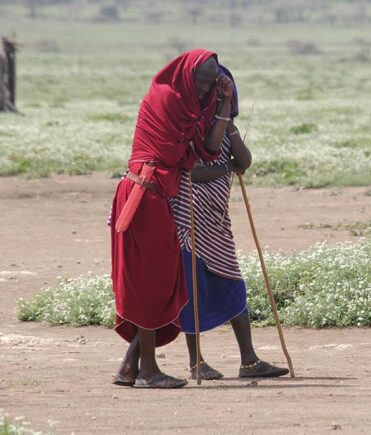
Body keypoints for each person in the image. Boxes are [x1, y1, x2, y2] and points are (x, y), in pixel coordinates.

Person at [110, 49, 235, 388]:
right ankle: (148, 371)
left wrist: (223, 105)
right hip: (143, 194)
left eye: (210, 83)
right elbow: (184, 158)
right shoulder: (167, 98)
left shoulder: (193, 108)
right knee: (151, 283)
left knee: (161, 280)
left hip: (157, 196)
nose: (204, 89)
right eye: (200, 81)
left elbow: (207, 148)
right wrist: (206, 157)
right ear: (185, 75)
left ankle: (128, 368)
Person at [169, 65, 289, 380]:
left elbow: (244, 161)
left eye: (227, 91)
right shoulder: (190, 126)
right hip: (189, 220)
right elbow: (195, 169)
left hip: (217, 222)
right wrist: (226, 169)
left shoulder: (224, 124)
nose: (224, 95)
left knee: (233, 284)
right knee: (192, 291)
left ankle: (248, 360)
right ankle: (196, 362)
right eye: (217, 90)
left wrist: (227, 116)